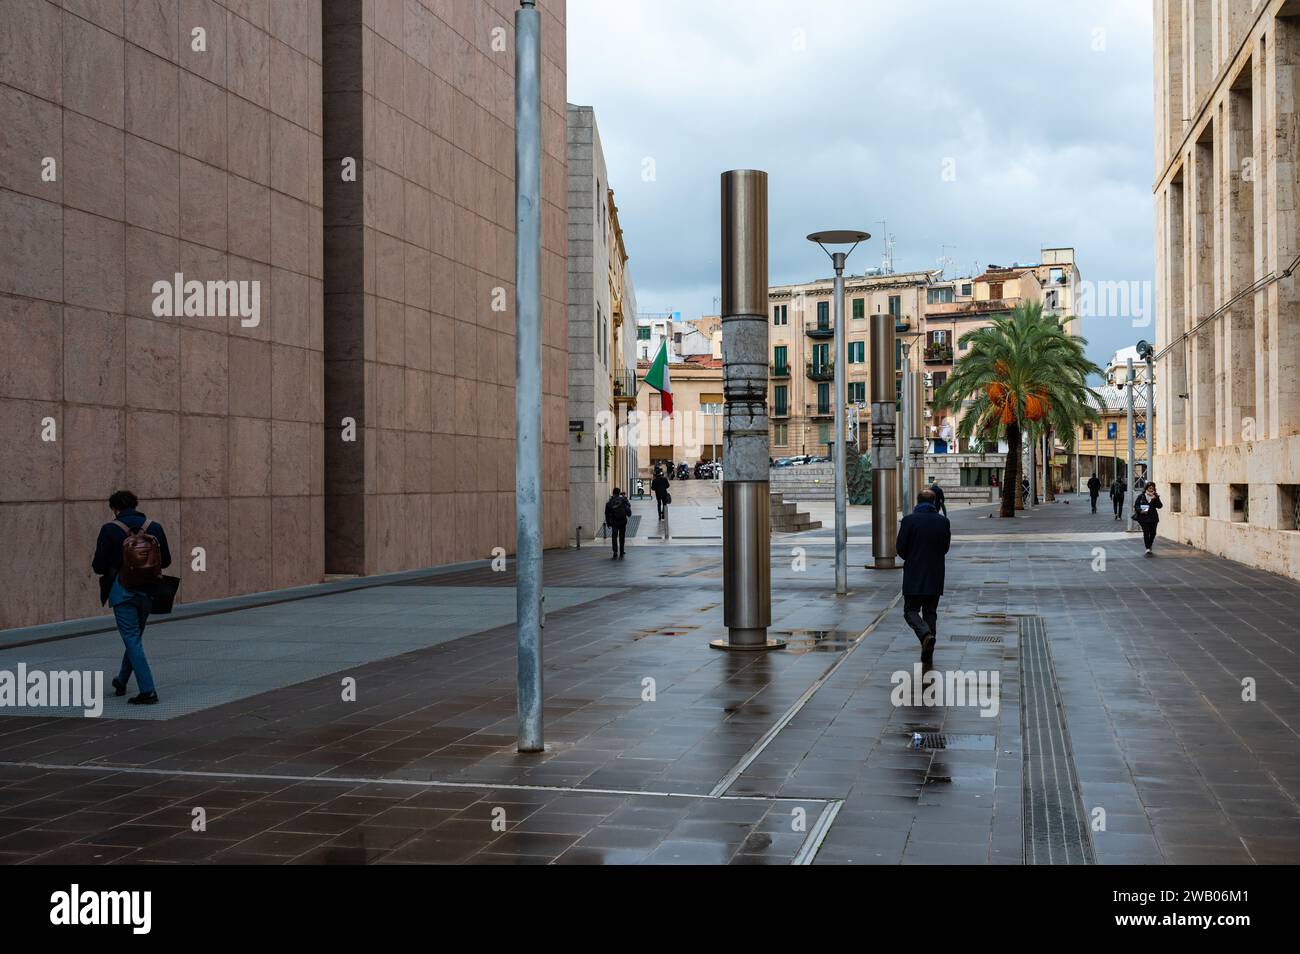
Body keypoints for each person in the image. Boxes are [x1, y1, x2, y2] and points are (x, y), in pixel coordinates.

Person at [91, 490, 172, 705]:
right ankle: (121, 679)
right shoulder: (154, 527)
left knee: (131, 638)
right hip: (148, 591)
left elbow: (98, 566)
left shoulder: (109, 529)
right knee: (134, 638)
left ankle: (148, 691)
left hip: (122, 591)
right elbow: (166, 562)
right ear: (135, 505)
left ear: (114, 508)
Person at [896, 489, 951, 668]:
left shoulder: (909, 521)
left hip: (914, 573)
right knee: (930, 612)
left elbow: (901, 548)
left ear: (917, 502)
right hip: (935, 573)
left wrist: (912, 557)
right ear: (934, 502)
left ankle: (925, 634)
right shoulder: (943, 522)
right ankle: (928, 648)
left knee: (910, 610)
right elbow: (945, 547)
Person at [1133, 482, 1163, 556]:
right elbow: (1136, 505)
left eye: (1152, 488)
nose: (1151, 489)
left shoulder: (1155, 496)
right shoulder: (1141, 496)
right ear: (1146, 488)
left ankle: (1149, 545)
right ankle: (1148, 548)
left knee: (1153, 533)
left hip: (1153, 518)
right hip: (1143, 518)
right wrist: (1140, 510)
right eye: (1149, 488)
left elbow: (1160, 506)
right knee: (1146, 532)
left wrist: (1156, 498)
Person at [604, 487, 632, 560]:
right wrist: (625, 498)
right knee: (622, 537)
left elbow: (607, 514)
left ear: (613, 493)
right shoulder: (623, 500)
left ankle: (615, 551)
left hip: (614, 522)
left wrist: (608, 523)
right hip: (623, 521)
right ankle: (622, 551)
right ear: (619, 493)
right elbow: (629, 506)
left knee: (614, 537)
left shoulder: (609, 502)